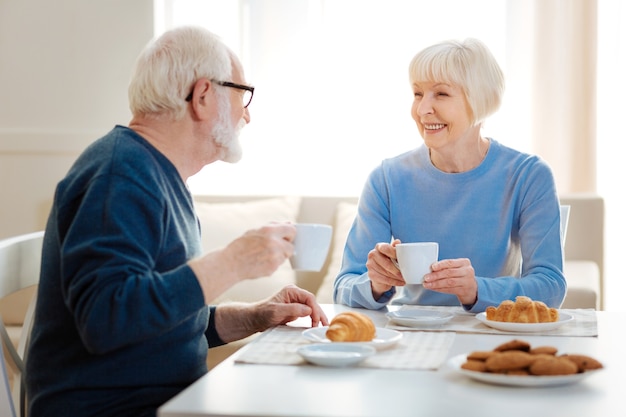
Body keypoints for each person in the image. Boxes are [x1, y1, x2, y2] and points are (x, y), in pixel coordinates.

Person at [26, 26, 328, 417]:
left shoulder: (157, 174)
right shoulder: (120, 176)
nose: (247, 115)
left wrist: (256, 316)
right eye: (242, 96)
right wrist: (232, 262)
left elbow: (161, 321)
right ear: (203, 96)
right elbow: (107, 322)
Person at [333, 38, 566, 313]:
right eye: (418, 93)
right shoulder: (386, 178)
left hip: (493, 332)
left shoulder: (528, 176)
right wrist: (374, 284)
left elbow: (550, 285)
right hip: (412, 336)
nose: (422, 110)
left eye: (441, 94)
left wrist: (477, 290)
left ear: (480, 100)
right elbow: (343, 285)